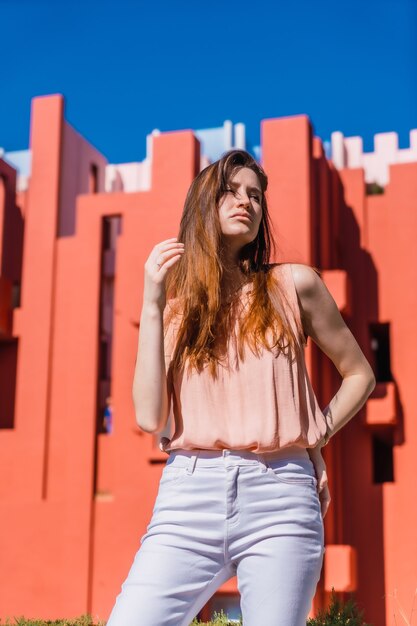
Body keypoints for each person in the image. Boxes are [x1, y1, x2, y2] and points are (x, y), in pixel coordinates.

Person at [106, 149, 376, 626]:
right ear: (203, 206)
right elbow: (150, 417)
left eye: (255, 195)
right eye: (230, 192)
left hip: (282, 494)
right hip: (188, 492)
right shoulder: (176, 312)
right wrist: (152, 302)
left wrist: (316, 435)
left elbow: (360, 374)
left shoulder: (294, 285)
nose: (246, 202)